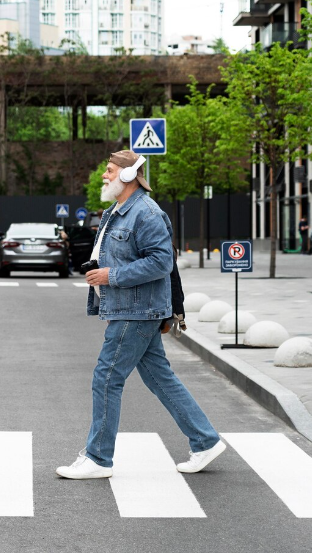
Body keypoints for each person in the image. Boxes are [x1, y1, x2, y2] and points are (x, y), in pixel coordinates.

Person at [56, 150, 225, 480]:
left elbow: (161, 262)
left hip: (137, 310)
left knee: (106, 378)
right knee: (159, 377)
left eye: (109, 170)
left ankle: (98, 458)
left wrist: (110, 276)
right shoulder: (117, 212)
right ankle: (205, 440)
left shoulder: (146, 213)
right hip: (130, 306)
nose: (104, 176)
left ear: (127, 175)